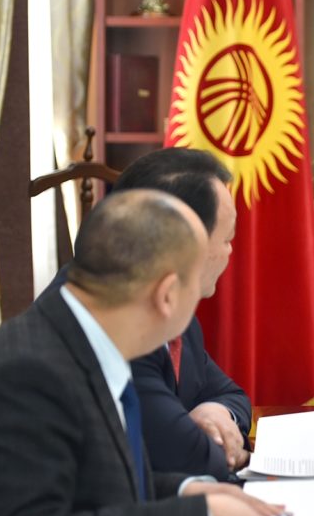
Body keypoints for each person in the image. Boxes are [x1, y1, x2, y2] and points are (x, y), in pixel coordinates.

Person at [0, 190, 282, 516]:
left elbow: (103, 488)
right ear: (167, 295)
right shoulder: (30, 371)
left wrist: (188, 491)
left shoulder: (86, 339)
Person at [40, 148, 250, 480]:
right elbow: (186, 456)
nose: (230, 251)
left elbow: (232, 394)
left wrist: (215, 411)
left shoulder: (167, 304)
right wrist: (215, 450)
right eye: (225, 239)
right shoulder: (111, 323)